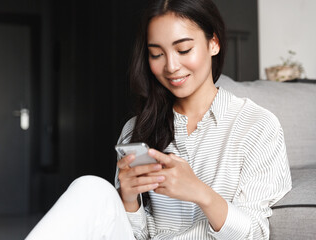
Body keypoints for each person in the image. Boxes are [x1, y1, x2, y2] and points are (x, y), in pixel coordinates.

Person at [26, 0, 292, 239]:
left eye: (184, 49)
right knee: (90, 187)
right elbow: (133, 234)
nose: (171, 66)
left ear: (214, 43)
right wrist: (129, 200)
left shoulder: (258, 126)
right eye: (157, 54)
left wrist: (200, 193)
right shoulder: (136, 129)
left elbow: (255, 234)